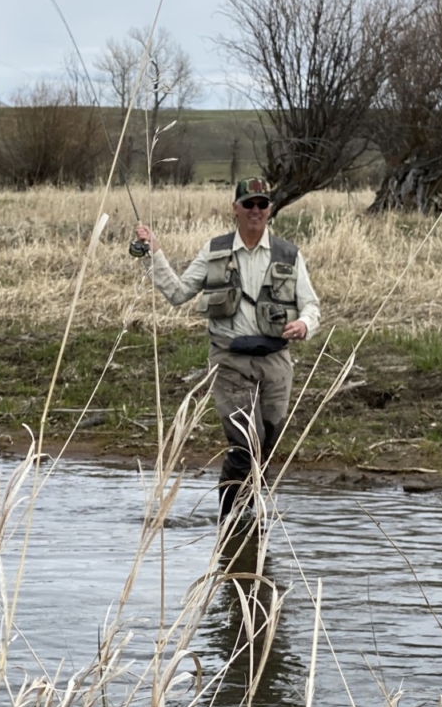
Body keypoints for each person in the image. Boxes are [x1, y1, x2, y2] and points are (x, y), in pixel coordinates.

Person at [133, 178, 320, 523]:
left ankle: (243, 513)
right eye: (248, 204)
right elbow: (177, 293)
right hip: (229, 360)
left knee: (265, 447)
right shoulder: (214, 250)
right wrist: (153, 253)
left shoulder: (289, 255)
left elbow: (311, 306)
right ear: (235, 209)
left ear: (270, 210)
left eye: (262, 204)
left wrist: (304, 325)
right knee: (244, 445)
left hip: (276, 362)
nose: (255, 211)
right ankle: (230, 521)